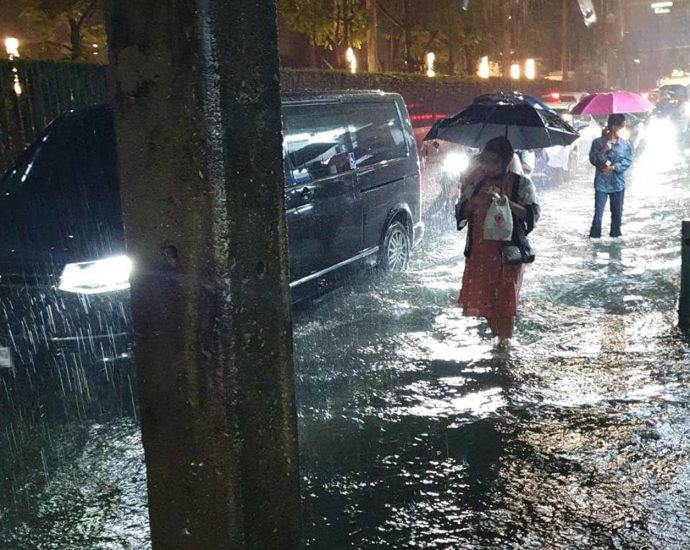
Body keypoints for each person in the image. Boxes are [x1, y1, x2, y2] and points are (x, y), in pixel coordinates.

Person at [456, 137, 540, 346]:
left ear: (506, 161)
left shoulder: (521, 184)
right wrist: (476, 200)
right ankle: (498, 340)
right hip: (480, 252)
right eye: (485, 161)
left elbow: (531, 216)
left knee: (505, 302)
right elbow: (462, 213)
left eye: (494, 162)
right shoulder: (477, 183)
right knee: (484, 300)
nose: (489, 166)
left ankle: (506, 344)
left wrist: (507, 202)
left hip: (506, 253)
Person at [588, 113, 633, 239]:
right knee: (598, 213)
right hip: (602, 182)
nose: (622, 129)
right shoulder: (597, 142)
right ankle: (595, 238)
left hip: (618, 183)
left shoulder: (624, 144)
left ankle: (615, 236)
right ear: (614, 127)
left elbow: (628, 161)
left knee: (617, 213)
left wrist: (614, 167)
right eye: (621, 126)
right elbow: (593, 159)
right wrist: (604, 150)